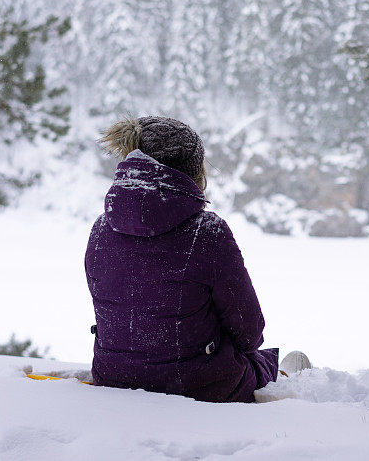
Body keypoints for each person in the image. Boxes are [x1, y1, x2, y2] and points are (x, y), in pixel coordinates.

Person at [85, 116, 281, 402]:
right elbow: (249, 332)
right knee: (261, 362)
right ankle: (290, 372)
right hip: (199, 385)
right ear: (193, 170)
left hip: (113, 376)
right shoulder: (208, 232)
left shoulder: (101, 228)